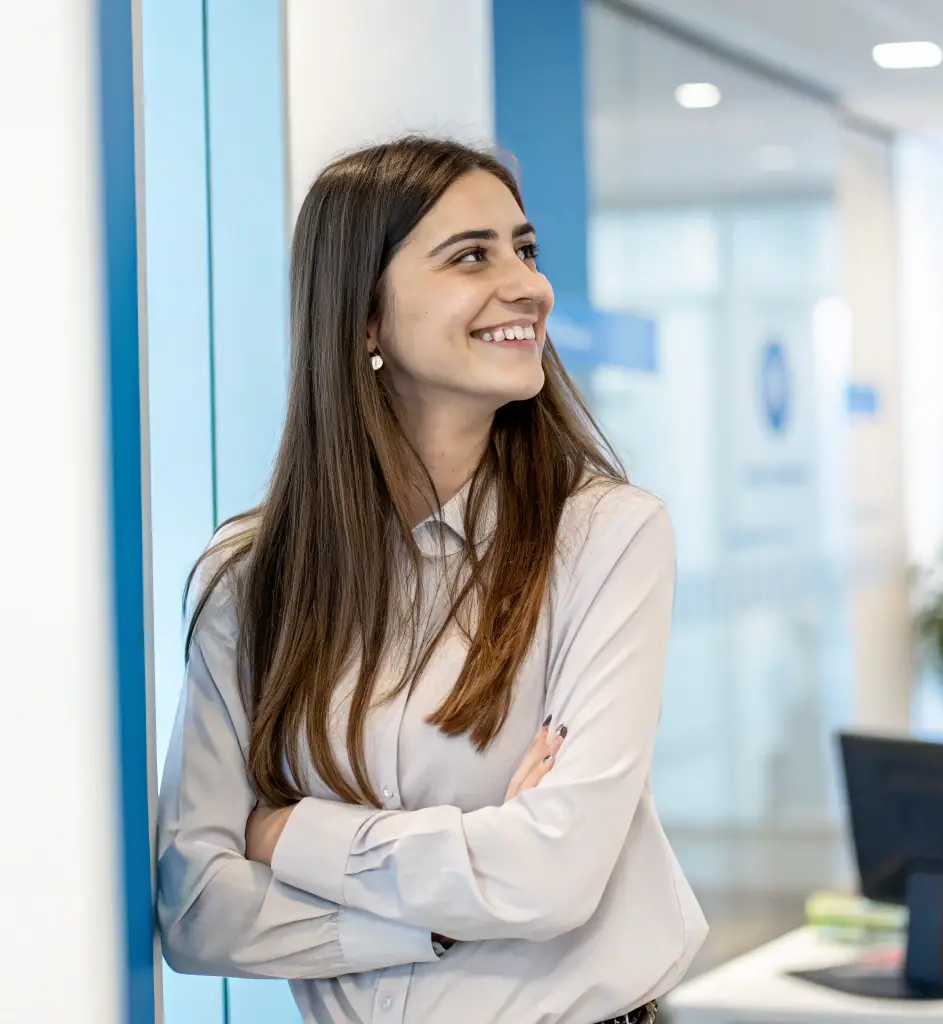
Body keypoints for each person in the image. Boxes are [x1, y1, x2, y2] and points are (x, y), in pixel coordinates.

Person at [157, 136, 708, 1024]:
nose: (528, 284)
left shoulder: (606, 537)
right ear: (364, 318)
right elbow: (195, 911)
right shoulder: (253, 580)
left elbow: (553, 877)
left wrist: (290, 833)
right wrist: (440, 919)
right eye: (470, 256)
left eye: (523, 250)